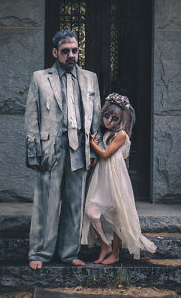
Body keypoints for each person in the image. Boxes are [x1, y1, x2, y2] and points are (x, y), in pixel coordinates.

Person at [25, 29, 101, 270]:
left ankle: (69, 253)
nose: (71, 55)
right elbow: (31, 116)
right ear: (55, 52)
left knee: (74, 203)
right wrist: (32, 151)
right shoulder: (40, 78)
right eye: (66, 51)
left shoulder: (90, 78)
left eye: (75, 50)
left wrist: (96, 149)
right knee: (47, 202)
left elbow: (96, 116)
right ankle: (40, 253)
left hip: (80, 147)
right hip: (51, 147)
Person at [81, 93, 156, 265]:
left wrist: (92, 143)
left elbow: (106, 154)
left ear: (121, 120)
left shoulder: (121, 134)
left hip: (116, 178)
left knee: (118, 216)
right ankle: (105, 245)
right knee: (92, 212)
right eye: (106, 116)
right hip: (102, 178)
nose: (109, 121)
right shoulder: (107, 133)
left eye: (114, 118)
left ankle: (115, 253)